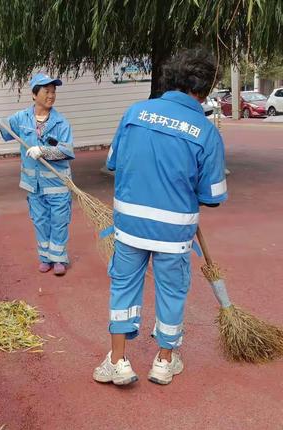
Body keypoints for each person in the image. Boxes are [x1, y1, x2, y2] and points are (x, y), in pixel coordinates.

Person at [93, 48, 228, 386]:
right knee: (172, 292)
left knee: (123, 287)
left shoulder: (135, 113)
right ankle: (164, 362)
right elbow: (212, 198)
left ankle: (118, 361)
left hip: (129, 227)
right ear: (206, 88)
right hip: (174, 232)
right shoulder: (207, 132)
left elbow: (113, 163)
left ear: (172, 78)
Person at [0, 73, 75, 276]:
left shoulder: (61, 123)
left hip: (58, 184)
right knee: (40, 220)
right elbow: (0, 128)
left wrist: (43, 151)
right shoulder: (21, 119)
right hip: (33, 184)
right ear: (34, 95)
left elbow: (67, 151)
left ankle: (59, 259)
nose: (51, 95)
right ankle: (45, 257)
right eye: (46, 91)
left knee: (59, 221)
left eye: (53, 92)